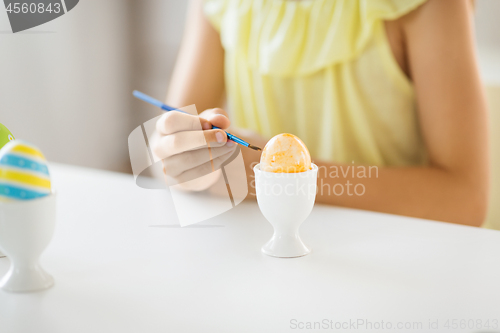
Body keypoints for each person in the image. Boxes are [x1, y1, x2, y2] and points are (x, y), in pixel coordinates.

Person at [152, 0, 489, 226]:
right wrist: (184, 160)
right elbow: (170, 158)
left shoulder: (428, 7)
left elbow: (466, 200)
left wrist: (273, 177)